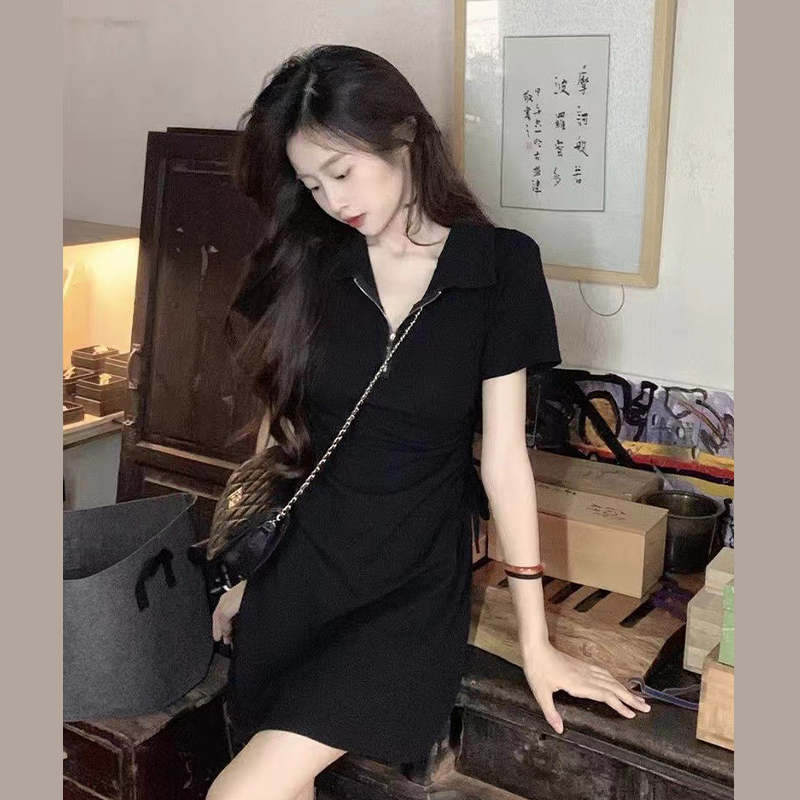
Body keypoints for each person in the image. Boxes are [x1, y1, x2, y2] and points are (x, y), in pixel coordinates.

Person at [206, 44, 650, 800]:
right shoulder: (313, 262)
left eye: (342, 172)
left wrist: (537, 643)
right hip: (298, 576)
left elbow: (504, 462)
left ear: (404, 133)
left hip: (404, 591)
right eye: (311, 184)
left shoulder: (499, 267)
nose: (331, 200)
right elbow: (279, 430)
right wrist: (245, 566)